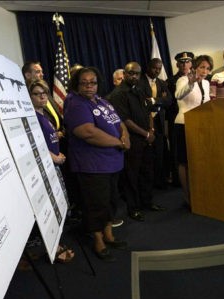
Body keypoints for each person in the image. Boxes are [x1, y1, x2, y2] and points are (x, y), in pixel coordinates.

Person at [64, 66, 130, 262]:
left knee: (111, 200)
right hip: (92, 165)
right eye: (84, 82)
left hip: (112, 162)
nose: (89, 86)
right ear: (76, 84)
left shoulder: (101, 101)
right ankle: (98, 240)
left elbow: (118, 121)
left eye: (92, 82)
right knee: (96, 204)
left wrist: (125, 135)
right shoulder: (75, 103)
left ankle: (109, 234)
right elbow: (87, 132)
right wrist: (119, 142)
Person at [108, 62, 166, 222]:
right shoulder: (118, 94)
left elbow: (149, 112)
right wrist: (146, 134)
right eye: (131, 73)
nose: (134, 76)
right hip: (132, 140)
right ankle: (133, 208)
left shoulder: (140, 89)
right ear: (125, 74)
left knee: (147, 172)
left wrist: (151, 131)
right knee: (131, 176)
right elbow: (125, 120)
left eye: (137, 74)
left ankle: (147, 202)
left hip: (146, 138)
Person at [28, 79, 75, 264]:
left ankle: (56, 244)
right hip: (44, 169)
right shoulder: (32, 117)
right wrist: (53, 157)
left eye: (44, 93)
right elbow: (33, 143)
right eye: (37, 93)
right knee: (48, 210)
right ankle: (52, 249)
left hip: (54, 166)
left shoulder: (43, 115)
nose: (42, 96)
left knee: (58, 208)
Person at [174, 55, 213, 205]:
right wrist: (190, 83)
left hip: (200, 125)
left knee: (198, 160)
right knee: (184, 162)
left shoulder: (207, 83)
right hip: (183, 123)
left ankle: (199, 193)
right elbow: (178, 95)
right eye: (202, 67)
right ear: (195, 67)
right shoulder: (183, 80)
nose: (205, 71)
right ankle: (187, 196)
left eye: (208, 68)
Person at [140, 58, 173, 190]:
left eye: (159, 69)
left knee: (159, 153)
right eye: (155, 68)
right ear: (148, 67)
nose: (157, 71)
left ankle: (159, 181)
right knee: (147, 155)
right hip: (144, 122)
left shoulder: (161, 83)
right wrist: (161, 99)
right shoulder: (140, 81)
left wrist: (154, 100)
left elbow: (169, 100)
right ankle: (148, 183)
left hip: (159, 122)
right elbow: (142, 101)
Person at [166, 51, 194, 187]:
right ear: (177, 64)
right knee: (178, 153)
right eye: (182, 62)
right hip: (177, 119)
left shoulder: (199, 78)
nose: (184, 65)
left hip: (196, 119)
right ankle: (178, 181)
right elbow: (170, 102)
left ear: (191, 63)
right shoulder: (170, 81)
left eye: (187, 62)